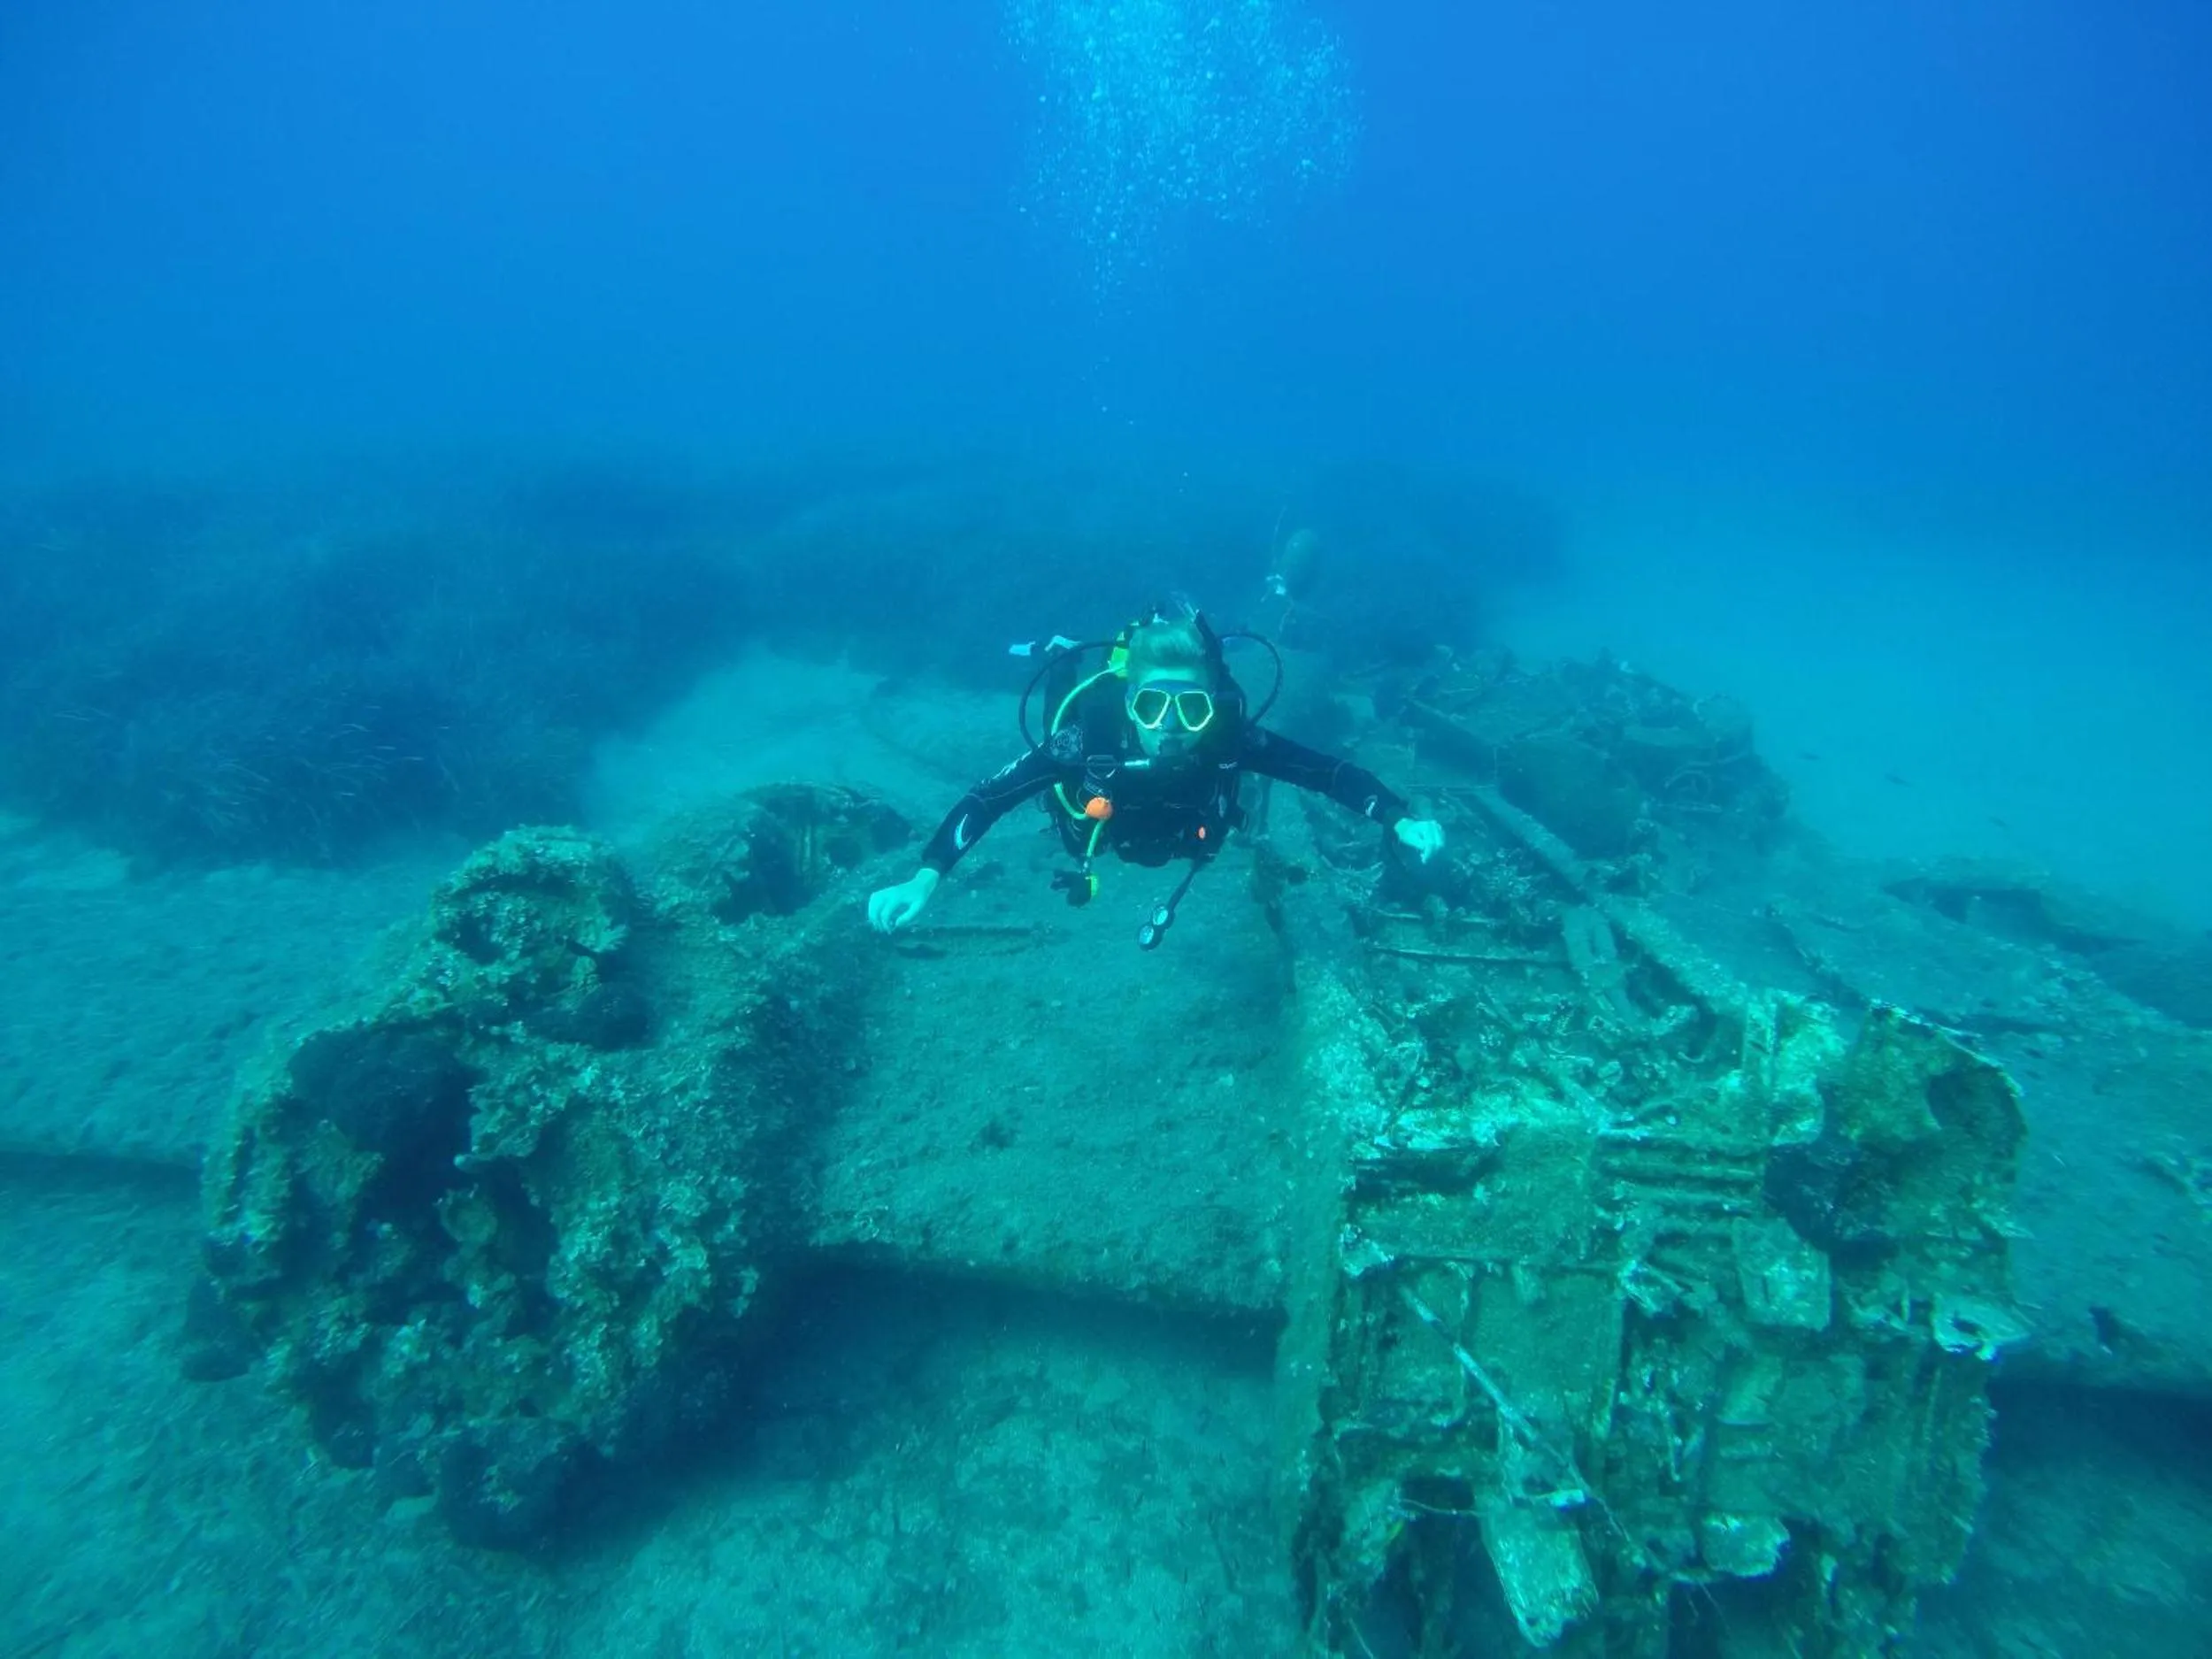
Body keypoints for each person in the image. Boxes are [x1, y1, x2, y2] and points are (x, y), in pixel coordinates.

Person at [867, 607, 1444, 945]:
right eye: (1151, 706)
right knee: (1055, 717)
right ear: (1130, 703)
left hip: (1171, 834)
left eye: (1191, 708)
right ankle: (1060, 655)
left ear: (1211, 707)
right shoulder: (1088, 739)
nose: (1170, 726)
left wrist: (1398, 818)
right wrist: (925, 878)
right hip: (1097, 825)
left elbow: (1327, 773)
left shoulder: (1228, 739)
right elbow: (990, 797)